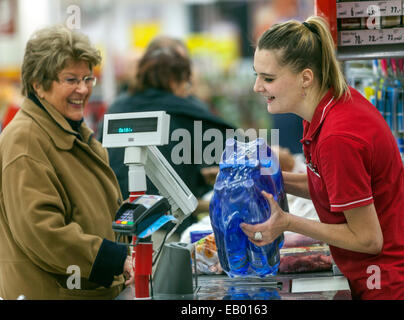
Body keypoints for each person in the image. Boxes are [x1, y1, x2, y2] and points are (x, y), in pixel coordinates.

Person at [241, 16, 404, 300]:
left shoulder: (337, 136)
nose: (257, 87)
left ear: (305, 77)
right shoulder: (326, 108)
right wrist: (270, 178)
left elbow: (368, 239)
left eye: (268, 78)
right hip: (375, 276)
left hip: (392, 283)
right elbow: (333, 187)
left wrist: (288, 222)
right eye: (256, 75)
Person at [0, 25, 133, 300]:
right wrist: (111, 259)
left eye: (88, 78)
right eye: (71, 79)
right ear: (38, 84)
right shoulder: (25, 140)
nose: (83, 89)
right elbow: (42, 231)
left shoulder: (73, 132)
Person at [98, 37, 234, 237]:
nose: (187, 90)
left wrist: (196, 177)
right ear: (174, 80)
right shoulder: (186, 111)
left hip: (119, 224)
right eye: (185, 82)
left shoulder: (116, 109)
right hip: (165, 228)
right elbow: (237, 151)